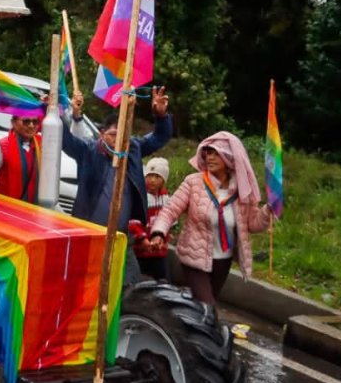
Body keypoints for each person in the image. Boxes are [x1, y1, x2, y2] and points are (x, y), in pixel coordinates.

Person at [62, 88, 172, 285]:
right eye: (114, 134)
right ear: (103, 134)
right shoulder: (89, 151)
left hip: (122, 237)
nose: (119, 140)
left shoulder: (133, 149)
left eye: (123, 135)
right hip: (90, 235)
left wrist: (161, 115)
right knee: (86, 282)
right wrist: (60, 112)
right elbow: (65, 140)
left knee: (128, 284)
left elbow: (159, 137)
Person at [149, 133, 273, 304]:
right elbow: (170, 210)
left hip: (223, 261)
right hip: (194, 258)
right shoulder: (193, 183)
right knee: (208, 307)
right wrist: (158, 233)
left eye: (216, 153)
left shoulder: (241, 190)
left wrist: (268, 210)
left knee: (202, 309)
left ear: (229, 157)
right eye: (207, 152)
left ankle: (184, 328)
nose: (210, 157)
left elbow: (252, 224)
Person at [0, 113, 43, 202]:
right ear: (13, 123)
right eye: (26, 121)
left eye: (35, 122)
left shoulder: (42, 147)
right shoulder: (0, 147)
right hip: (3, 210)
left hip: (30, 212)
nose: (31, 125)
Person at [129, 157, 171, 280]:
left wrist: (165, 238)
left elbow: (168, 220)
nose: (152, 180)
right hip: (140, 249)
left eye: (157, 177)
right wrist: (142, 238)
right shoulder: (140, 197)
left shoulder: (166, 199)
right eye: (149, 176)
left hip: (158, 250)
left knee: (163, 280)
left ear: (163, 180)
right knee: (140, 279)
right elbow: (133, 221)